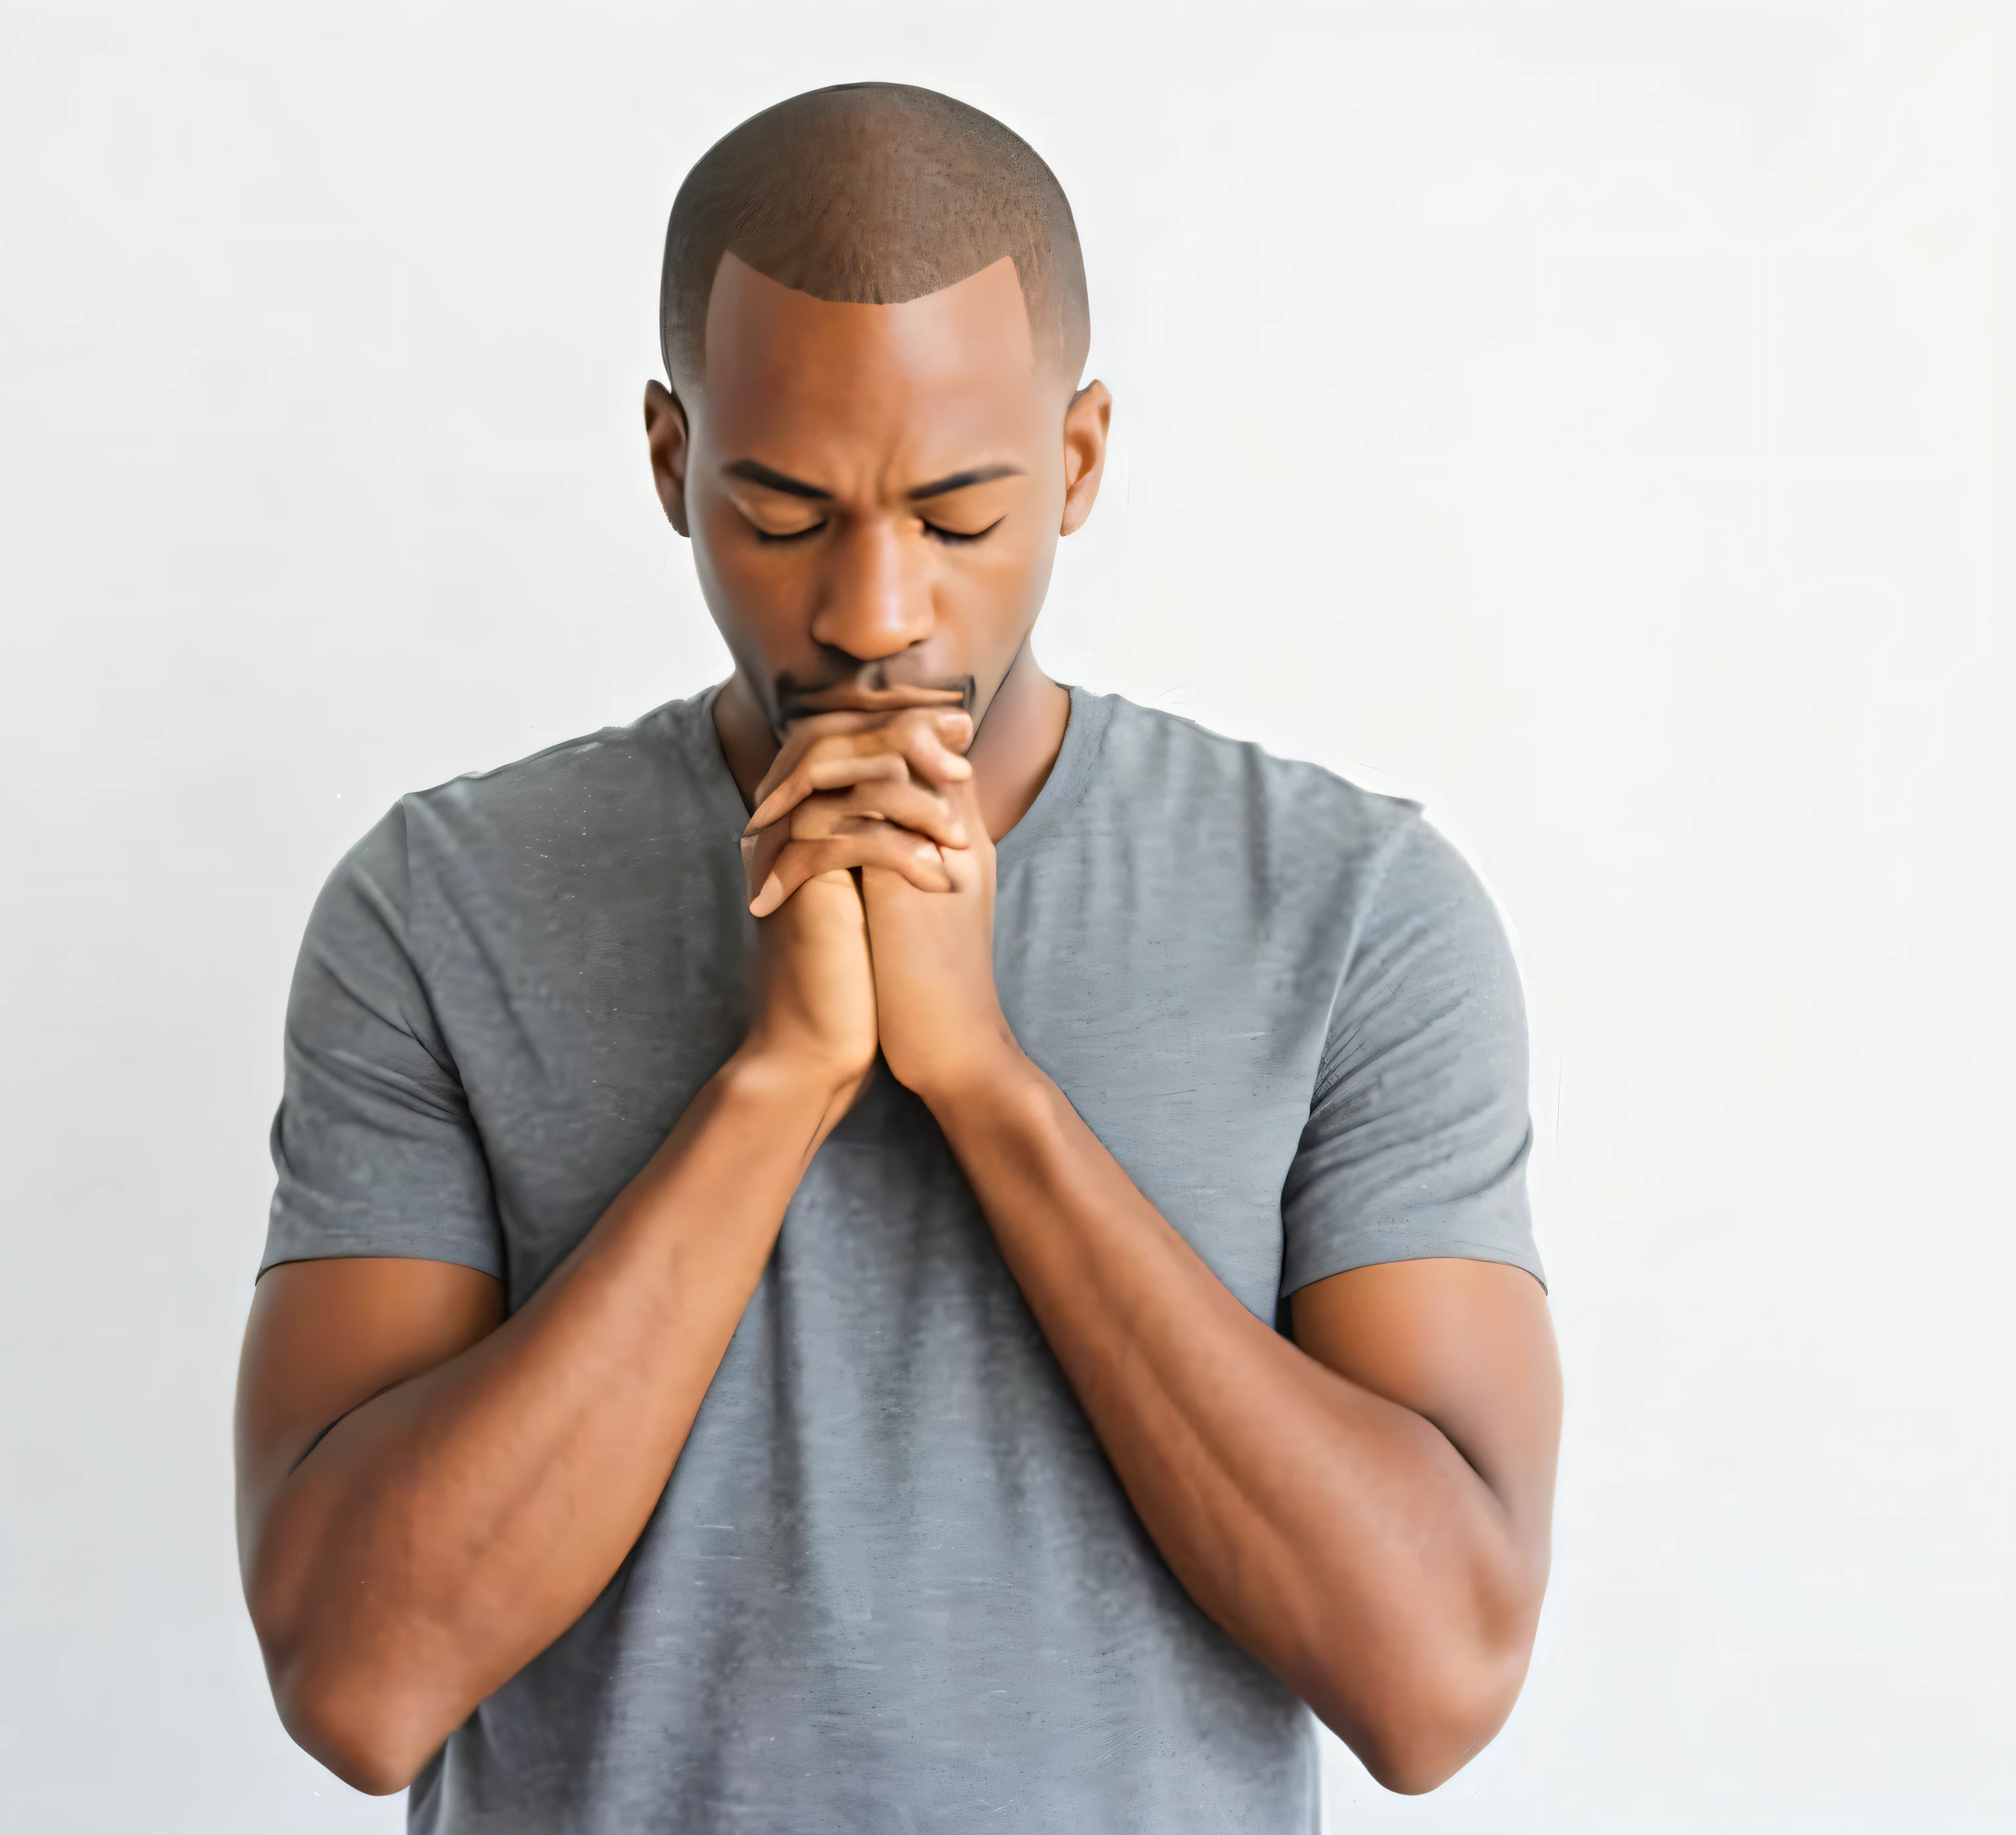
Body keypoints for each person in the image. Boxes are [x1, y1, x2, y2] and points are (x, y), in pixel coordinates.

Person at [232, 82, 1561, 1833]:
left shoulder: (1350, 908)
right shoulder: (443, 903)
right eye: (783, 517)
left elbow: (1435, 1684)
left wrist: (987, 1087)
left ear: (1077, 464)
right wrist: (777, 1089)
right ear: (667, 461)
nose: (873, 611)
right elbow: (360, 1681)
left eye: (956, 517)